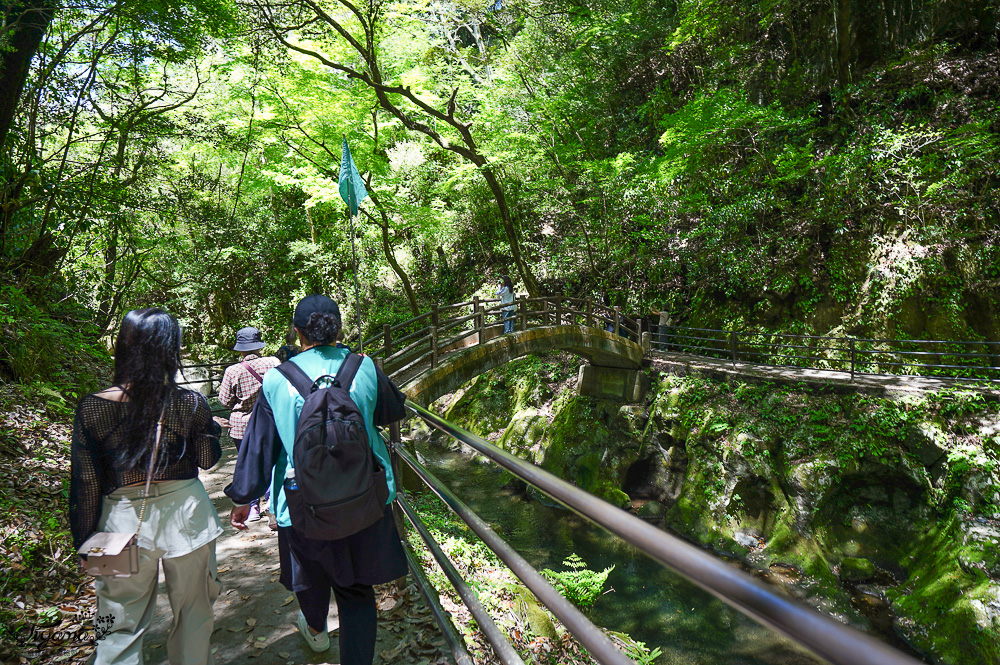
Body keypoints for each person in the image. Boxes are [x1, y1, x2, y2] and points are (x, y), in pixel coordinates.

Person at [224, 294, 407, 664]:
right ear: (339, 328)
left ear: (297, 332)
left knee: (309, 578)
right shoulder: (363, 367)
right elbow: (393, 410)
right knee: (357, 592)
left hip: (301, 502)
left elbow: (260, 446)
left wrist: (243, 498)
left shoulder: (277, 380)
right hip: (363, 497)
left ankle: (317, 631)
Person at [69, 308, 223, 665]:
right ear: (171, 349)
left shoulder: (93, 408)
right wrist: (210, 428)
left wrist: (84, 542)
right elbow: (206, 459)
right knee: (193, 615)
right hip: (188, 518)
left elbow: (86, 482)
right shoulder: (189, 402)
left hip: (121, 522)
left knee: (117, 624)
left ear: (124, 346)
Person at [217, 326, 279, 522]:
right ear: (259, 345)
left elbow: (224, 401)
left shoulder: (232, 370)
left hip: (242, 425)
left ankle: (252, 507)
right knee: (271, 461)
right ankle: (271, 502)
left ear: (241, 349)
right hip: (270, 421)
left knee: (248, 465)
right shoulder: (274, 362)